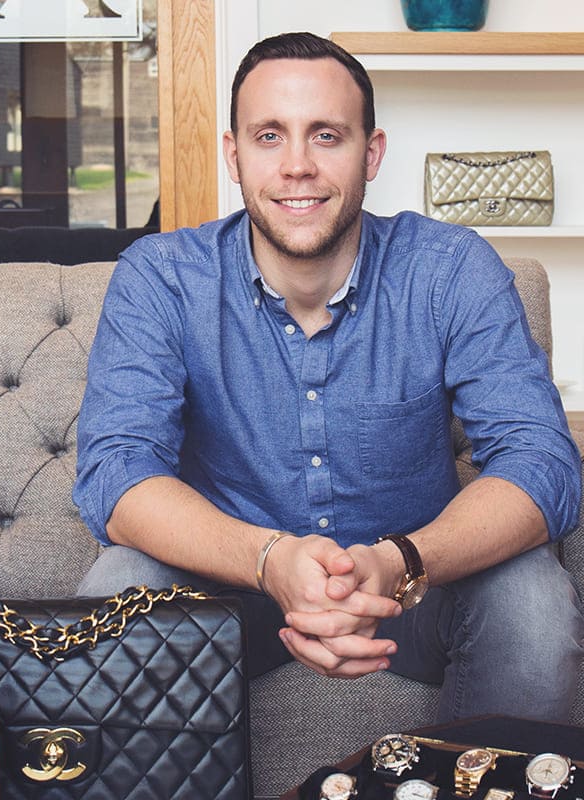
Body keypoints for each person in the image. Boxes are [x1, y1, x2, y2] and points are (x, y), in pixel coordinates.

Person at [72, 31, 582, 723]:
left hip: (413, 594)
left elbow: (542, 461)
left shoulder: (452, 269)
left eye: (327, 136)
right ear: (234, 154)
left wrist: (399, 563)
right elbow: (117, 473)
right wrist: (270, 560)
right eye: (270, 136)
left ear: (371, 153)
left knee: (533, 598)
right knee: (121, 581)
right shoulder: (160, 277)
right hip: (233, 597)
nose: (298, 166)